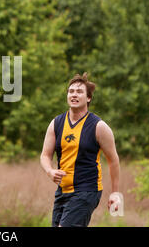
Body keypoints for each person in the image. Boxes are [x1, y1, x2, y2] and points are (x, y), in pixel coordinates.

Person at [40, 73, 122, 227]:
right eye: (71, 91)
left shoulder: (99, 127)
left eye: (79, 92)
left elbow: (113, 160)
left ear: (88, 98)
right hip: (63, 191)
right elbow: (45, 155)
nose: (74, 95)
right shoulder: (56, 123)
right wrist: (49, 171)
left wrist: (115, 193)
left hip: (87, 190)